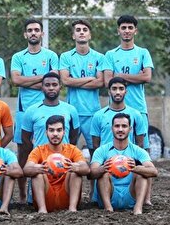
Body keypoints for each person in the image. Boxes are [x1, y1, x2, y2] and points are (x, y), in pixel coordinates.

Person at [10, 18, 59, 203]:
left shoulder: (51, 56)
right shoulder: (18, 57)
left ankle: (49, 189)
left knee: (46, 150)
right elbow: (16, 80)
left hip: (46, 109)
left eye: (36, 30)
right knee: (23, 152)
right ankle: (23, 194)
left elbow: (54, 80)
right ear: (25, 34)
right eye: (29, 30)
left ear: (42, 33)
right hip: (24, 110)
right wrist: (43, 79)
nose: (33, 33)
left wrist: (28, 79)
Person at [21, 72, 80, 204]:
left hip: (64, 168)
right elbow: (25, 139)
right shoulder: (31, 110)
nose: (51, 88)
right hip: (42, 167)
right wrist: (37, 155)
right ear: (42, 87)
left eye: (54, 85)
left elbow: (74, 136)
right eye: (47, 85)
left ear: (60, 87)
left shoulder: (70, 110)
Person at [90, 113, 158, 215]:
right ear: (111, 128)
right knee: (103, 174)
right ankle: (108, 209)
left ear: (130, 129)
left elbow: (154, 171)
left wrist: (135, 168)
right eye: (117, 126)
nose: (120, 129)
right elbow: (91, 174)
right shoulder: (101, 150)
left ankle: (138, 208)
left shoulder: (138, 151)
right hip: (110, 194)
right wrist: (104, 168)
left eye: (124, 126)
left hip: (131, 195)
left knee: (142, 172)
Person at [103, 15, 154, 150]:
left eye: (130, 27)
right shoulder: (110, 54)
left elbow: (147, 77)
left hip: (138, 107)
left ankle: (142, 171)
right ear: (118, 31)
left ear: (135, 31)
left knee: (143, 147)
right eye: (123, 27)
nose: (127, 30)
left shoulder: (143, 53)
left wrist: (119, 75)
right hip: (115, 108)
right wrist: (136, 76)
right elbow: (108, 81)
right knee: (114, 146)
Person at [23, 115, 89, 213]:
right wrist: (38, 168)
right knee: (37, 172)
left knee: (75, 171)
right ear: (46, 133)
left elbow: (86, 169)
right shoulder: (39, 150)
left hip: (66, 195)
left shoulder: (72, 149)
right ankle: (42, 210)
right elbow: (26, 169)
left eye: (59, 130)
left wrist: (76, 167)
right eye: (51, 130)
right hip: (46, 196)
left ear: (64, 132)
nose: (55, 134)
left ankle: (72, 209)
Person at [59, 20, 105, 157]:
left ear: (90, 35)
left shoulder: (99, 57)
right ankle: (68, 178)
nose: (81, 32)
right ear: (74, 36)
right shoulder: (66, 56)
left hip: (92, 111)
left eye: (85, 30)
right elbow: (65, 80)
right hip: (72, 111)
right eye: (78, 30)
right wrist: (90, 78)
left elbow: (100, 83)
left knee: (95, 151)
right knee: (68, 150)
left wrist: (75, 81)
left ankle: (95, 179)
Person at [91, 77, 146, 150]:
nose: (117, 92)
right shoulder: (98, 115)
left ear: (126, 91)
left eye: (121, 88)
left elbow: (140, 144)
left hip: (128, 160)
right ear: (109, 92)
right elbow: (95, 145)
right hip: (107, 160)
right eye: (114, 89)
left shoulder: (136, 114)